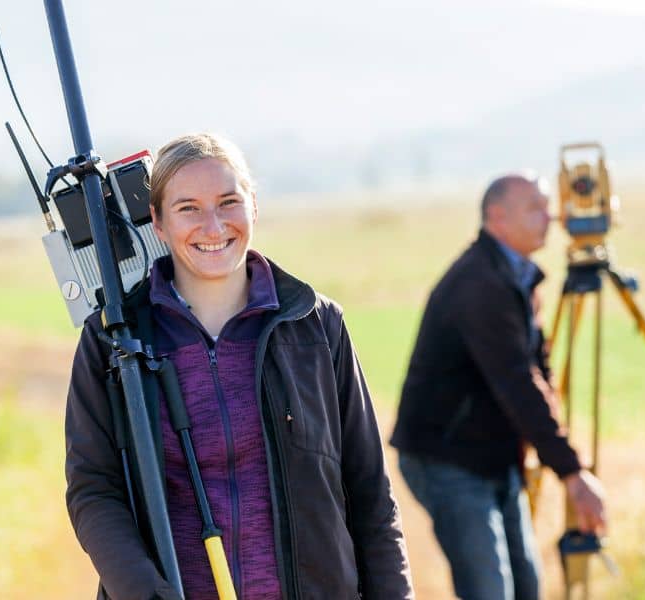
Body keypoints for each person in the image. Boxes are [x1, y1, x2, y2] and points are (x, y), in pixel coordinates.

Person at [65, 133, 413, 600]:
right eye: (188, 208)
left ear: (253, 207)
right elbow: (94, 490)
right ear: (159, 224)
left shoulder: (315, 325)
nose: (213, 226)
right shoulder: (111, 339)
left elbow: (370, 489)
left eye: (228, 202)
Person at [390, 174, 605, 600]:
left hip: (494, 458)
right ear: (496, 217)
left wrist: (556, 455)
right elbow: (517, 383)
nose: (551, 216)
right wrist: (571, 472)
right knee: (490, 591)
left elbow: (537, 373)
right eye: (535, 208)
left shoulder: (515, 274)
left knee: (527, 586)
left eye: (547, 206)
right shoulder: (480, 284)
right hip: (447, 460)